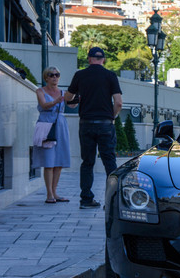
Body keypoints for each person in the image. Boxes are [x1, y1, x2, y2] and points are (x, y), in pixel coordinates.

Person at [64, 47, 123, 209]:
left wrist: (77, 97)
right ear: (103, 59)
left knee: (87, 162)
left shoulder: (80, 75)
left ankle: (86, 199)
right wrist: (112, 116)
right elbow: (118, 102)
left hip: (86, 124)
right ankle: (111, 202)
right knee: (110, 163)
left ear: (89, 59)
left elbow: (68, 98)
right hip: (105, 124)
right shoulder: (110, 76)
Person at [32, 67, 71, 203]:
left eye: (57, 75)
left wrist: (77, 98)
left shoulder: (63, 93)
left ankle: (55, 192)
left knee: (58, 162)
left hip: (60, 125)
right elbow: (43, 105)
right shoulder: (40, 91)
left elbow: (72, 105)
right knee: (48, 162)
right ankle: (49, 194)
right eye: (51, 75)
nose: (55, 77)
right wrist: (56, 101)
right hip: (46, 125)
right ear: (46, 77)